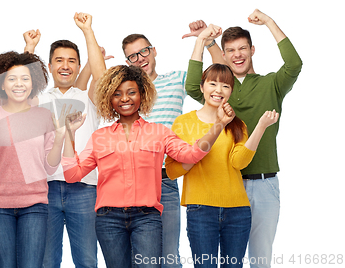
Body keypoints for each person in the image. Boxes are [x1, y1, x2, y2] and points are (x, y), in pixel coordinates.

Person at [60, 61, 236, 268]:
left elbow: (191, 155)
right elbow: (73, 175)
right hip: (109, 219)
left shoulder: (159, 132)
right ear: (109, 99)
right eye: (117, 94)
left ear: (142, 95)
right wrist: (69, 134)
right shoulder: (99, 137)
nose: (124, 98)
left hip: (147, 218)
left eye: (131, 92)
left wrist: (219, 125)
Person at [184, 9, 303, 268]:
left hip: (263, 184)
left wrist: (270, 22)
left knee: (260, 260)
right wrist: (202, 43)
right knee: (229, 262)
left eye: (243, 48)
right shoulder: (222, 91)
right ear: (224, 55)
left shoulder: (271, 84)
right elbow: (193, 86)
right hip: (227, 184)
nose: (238, 54)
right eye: (231, 50)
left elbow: (294, 64)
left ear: (252, 50)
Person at [121, 25, 222, 267]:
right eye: (132, 56)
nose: (140, 58)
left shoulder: (177, 79)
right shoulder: (127, 93)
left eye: (143, 51)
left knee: (168, 256)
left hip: (165, 178)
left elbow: (220, 74)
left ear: (154, 51)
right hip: (131, 179)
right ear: (128, 62)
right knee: (138, 258)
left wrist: (205, 42)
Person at [166, 63, 279, 267]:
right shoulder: (183, 122)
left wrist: (260, 127)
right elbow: (173, 170)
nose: (219, 90)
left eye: (226, 86)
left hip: (237, 210)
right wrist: (193, 157)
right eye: (213, 83)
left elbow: (239, 162)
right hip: (200, 210)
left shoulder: (238, 124)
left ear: (230, 92)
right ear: (202, 87)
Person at [0, 51, 65, 268]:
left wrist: (60, 139)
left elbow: (49, 166)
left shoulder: (45, 116)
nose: (19, 84)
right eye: (12, 78)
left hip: (35, 205)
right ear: (2, 83)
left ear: (33, 83)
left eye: (25, 78)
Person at [24, 13, 104, 268]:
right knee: (46, 261)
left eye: (72, 61)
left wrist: (88, 31)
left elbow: (102, 77)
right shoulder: (38, 99)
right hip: (44, 189)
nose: (65, 65)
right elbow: (20, 82)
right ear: (49, 66)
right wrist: (30, 48)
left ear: (80, 66)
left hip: (84, 188)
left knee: (87, 260)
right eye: (59, 60)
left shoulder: (88, 97)